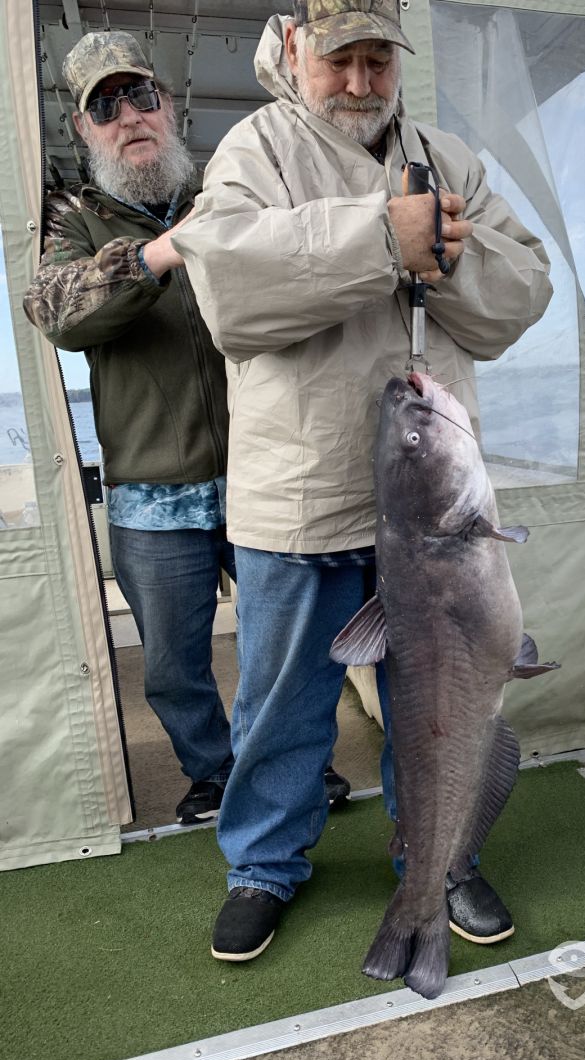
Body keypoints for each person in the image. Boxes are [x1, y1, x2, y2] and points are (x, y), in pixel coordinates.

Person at [171, 0, 553, 961]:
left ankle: (442, 860)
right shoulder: (253, 151)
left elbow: (522, 293)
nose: (358, 81)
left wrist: (447, 250)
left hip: (437, 507)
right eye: (340, 58)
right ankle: (263, 864)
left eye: (378, 59)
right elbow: (230, 295)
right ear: (296, 46)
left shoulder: (447, 157)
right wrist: (382, 237)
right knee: (281, 705)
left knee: (442, 707)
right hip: (301, 492)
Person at [22, 30, 351, 825]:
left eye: (140, 95)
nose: (128, 116)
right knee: (173, 666)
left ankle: (290, 767)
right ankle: (213, 771)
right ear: (83, 129)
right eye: (105, 106)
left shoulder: (231, 190)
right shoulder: (72, 220)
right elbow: (56, 311)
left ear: (168, 106)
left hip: (264, 475)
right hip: (150, 497)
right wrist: (161, 252)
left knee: (288, 647)